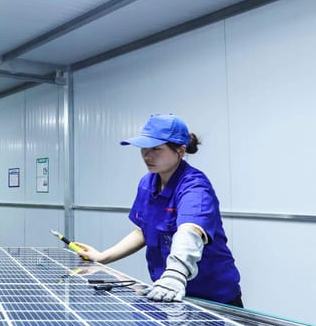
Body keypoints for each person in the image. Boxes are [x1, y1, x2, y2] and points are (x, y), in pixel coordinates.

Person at [74, 114, 242, 307]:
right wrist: (103, 257)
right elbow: (142, 231)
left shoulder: (195, 186)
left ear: (180, 150)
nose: (147, 155)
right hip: (165, 291)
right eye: (144, 148)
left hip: (212, 296)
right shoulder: (147, 183)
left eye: (156, 149)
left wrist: (175, 274)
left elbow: (191, 231)